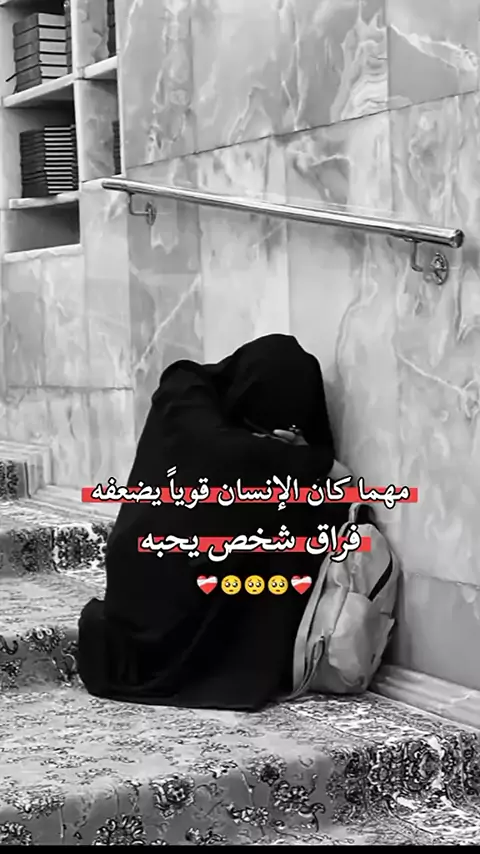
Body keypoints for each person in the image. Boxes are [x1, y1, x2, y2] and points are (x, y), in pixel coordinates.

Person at [77, 334, 351, 711]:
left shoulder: (277, 453)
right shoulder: (184, 386)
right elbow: (220, 452)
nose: (271, 436)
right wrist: (319, 463)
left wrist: (300, 456)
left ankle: (241, 654)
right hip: (148, 577)